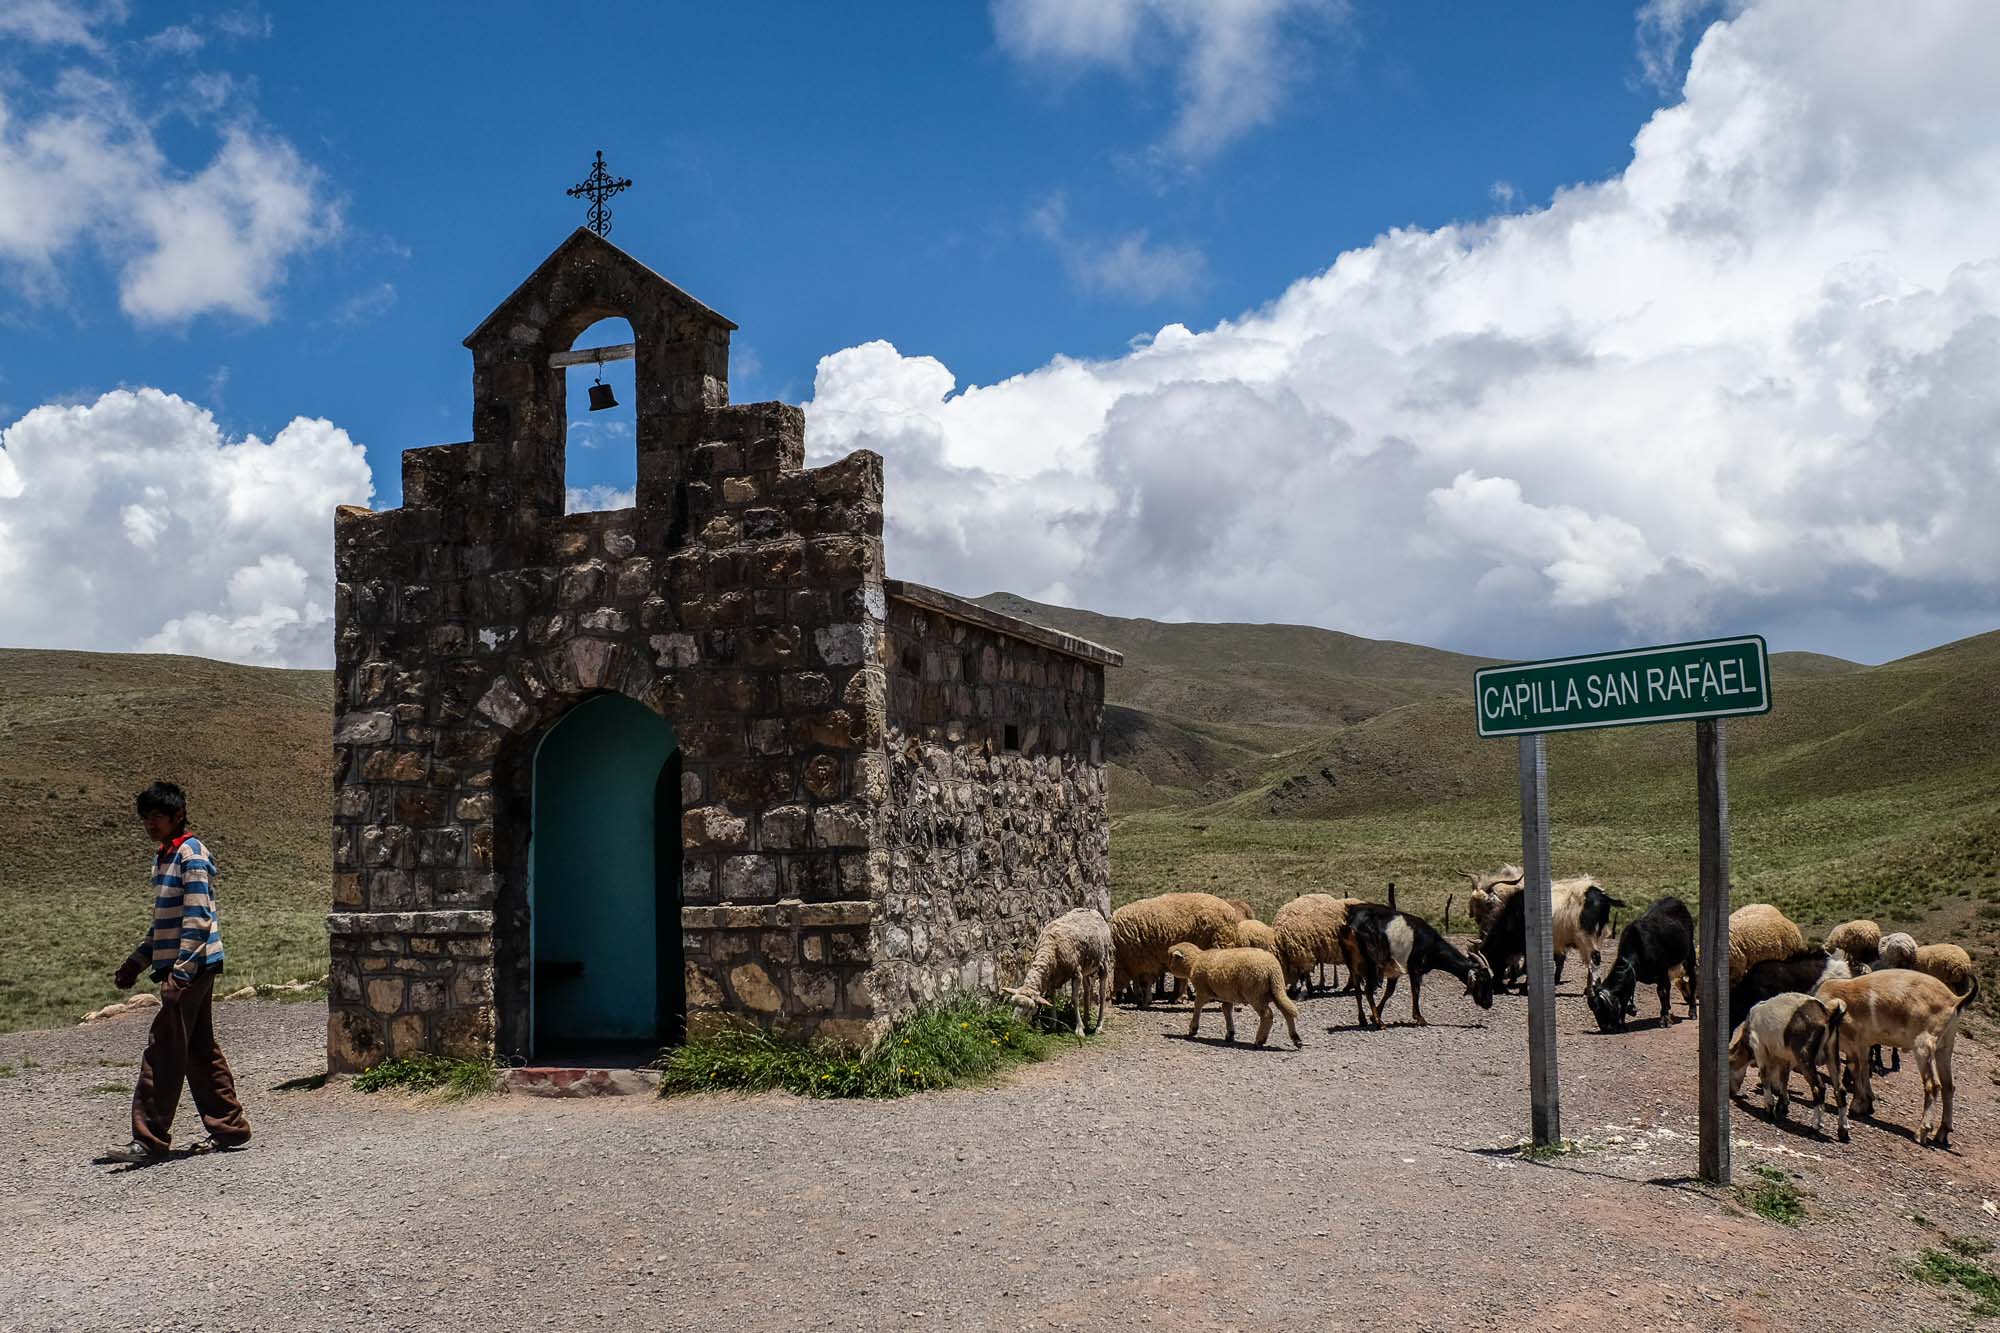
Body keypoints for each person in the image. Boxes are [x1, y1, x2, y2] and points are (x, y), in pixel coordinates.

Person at [100, 781, 252, 1163]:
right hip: (187, 965)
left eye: (158, 817)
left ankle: (149, 1140)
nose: (151, 824)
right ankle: (228, 1128)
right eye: (146, 818)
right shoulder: (166, 857)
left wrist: (181, 972)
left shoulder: (191, 854)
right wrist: (137, 961)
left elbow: (198, 918)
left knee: (163, 1049)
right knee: (199, 1049)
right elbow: (165, 925)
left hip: (192, 967)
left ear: (178, 815)